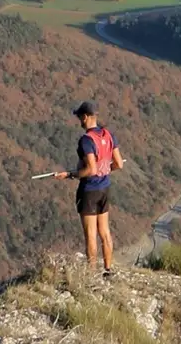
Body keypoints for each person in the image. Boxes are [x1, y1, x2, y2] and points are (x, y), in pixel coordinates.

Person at [55, 100, 125, 273]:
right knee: (105, 232)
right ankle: (108, 270)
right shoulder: (108, 135)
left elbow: (90, 169)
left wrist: (70, 175)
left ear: (85, 117)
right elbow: (118, 164)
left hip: (89, 191)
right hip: (105, 188)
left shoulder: (86, 140)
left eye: (80, 117)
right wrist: (105, 170)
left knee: (90, 235)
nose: (79, 120)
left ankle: (92, 273)